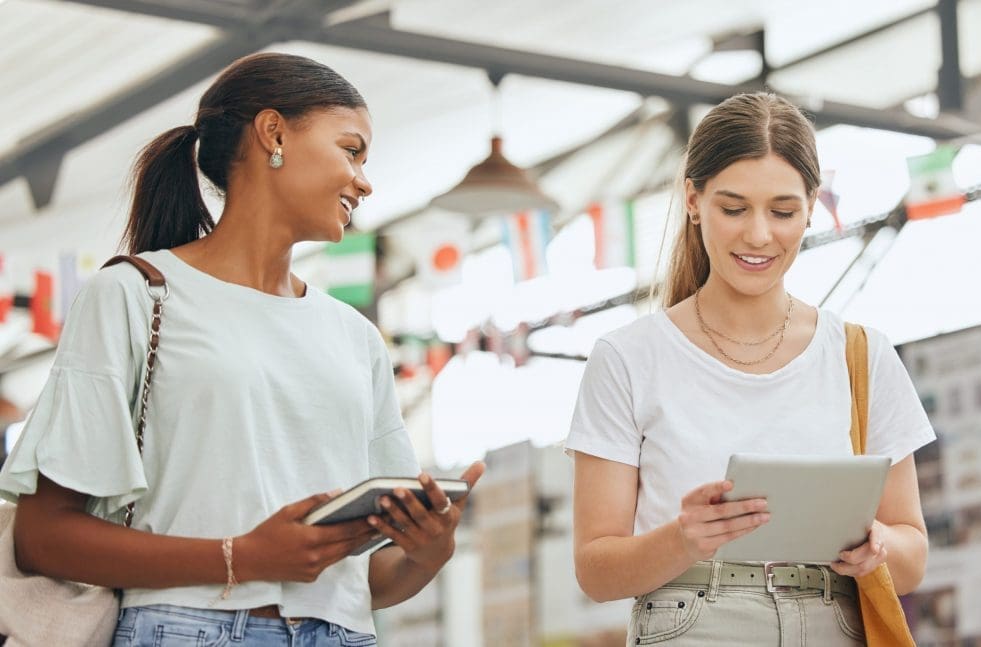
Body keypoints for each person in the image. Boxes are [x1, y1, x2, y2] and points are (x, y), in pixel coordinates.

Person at [0, 52, 484, 646]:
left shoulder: (355, 337)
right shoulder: (131, 295)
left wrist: (428, 552)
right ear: (274, 133)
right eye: (351, 150)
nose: (365, 180)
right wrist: (244, 558)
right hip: (184, 630)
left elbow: (369, 578)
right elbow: (43, 537)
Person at [566, 92, 933, 645]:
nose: (759, 235)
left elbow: (913, 556)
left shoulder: (862, 355)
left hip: (834, 625)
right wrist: (683, 539)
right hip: (693, 625)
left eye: (782, 212)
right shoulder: (627, 358)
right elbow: (595, 570)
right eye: (733, 208)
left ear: (812, 205)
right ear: (693, 199)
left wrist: (877, 546)